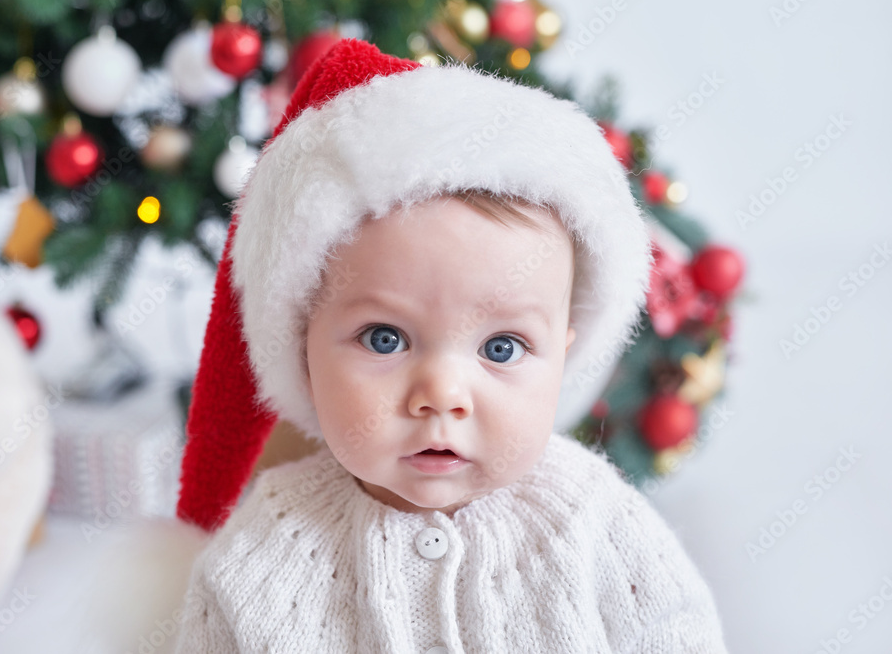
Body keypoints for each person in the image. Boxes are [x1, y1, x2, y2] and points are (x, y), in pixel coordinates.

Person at [172, 38, 729, 653]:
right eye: (385, 338)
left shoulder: (596, 523)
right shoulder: (263, 558)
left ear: (563, 358)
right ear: (303, 351)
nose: (442, 395)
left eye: (502, 348)